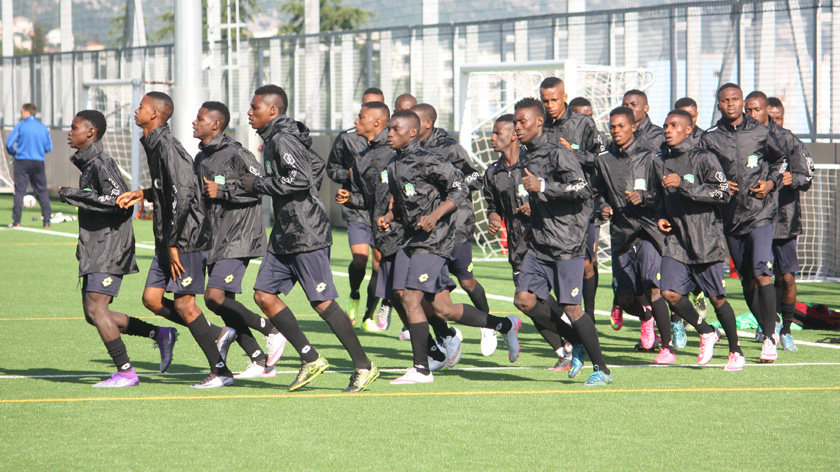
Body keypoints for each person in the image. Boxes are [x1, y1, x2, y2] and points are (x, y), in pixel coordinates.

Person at [240, 84, 379, 393]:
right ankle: (310, 358)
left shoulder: (282, 139)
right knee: (263, 295)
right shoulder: (275, 138)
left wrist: (259, 185)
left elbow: (300, 178)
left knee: (322, 302)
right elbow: (314, 166)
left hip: (307, 233)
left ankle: (364, 365)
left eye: (255, 107)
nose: (249, 112)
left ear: (272, 111)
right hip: (285, 233)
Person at [378, 110, 521, 385]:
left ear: (412, 132)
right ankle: (505, 324)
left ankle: (422, 369)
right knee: (443, 309)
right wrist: (389, 217)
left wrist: (434, 216)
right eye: (389, 129)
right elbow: (405, 203)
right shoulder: (394, 164)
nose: (389, 134)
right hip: (411, 240)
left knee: (411, 299)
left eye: (395, 129)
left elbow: (460, 189)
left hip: (436, 239)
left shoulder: (430, 160)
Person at [117, 92, 236, 388]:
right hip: (168, 237)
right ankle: (215, 333)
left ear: (155, 114)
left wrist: (174, 243)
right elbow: (167, 188)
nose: (136, 110)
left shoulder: (168, 145)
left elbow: (184, 194)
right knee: (151, 299)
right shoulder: (153, 143)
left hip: (186, 238)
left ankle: (221, 371)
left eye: (141, 107)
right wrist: (144, 193)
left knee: (185, 305)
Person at [336, 102, 459, 372]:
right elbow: (368, 199)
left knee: (410, 296)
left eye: (361, 117)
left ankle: (439, 344)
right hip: (385, 235)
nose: (356, 121)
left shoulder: (396, 153)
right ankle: (435, 346)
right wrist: (350, 198)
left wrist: (425, 216)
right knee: (398, 296)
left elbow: (425, 191)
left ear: (377, 122)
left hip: (408, 235)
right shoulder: (362, 156)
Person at [60, 110, 178, 387]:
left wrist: (73, 194)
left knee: (97, 309)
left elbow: (119, 201)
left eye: (74, 127)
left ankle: (126, 372)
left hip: (110, 248)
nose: (69, 132)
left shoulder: (102, 162)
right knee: (93, 314)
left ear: (90, 132)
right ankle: (160, 334)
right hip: (97, 247)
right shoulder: (89, 164)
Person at [512, 97, 612, 386]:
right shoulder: (526, 156)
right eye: (515, 122)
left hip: (567, 244)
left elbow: (582, 189)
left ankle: (602, 370)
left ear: (538, 122)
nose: (517, 127)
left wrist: (543, 185)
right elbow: (538, 199)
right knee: (524, 299)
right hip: (540, 242)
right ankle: (574, 341)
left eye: (522, 121)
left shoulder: (558, 153)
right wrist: (534, 223)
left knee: (572, 308)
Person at [193, 101, 288, 379]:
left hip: (240, 236)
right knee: (224, 306)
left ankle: (272, 329)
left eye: (200, 119)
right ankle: (260, 361)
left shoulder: (237, 153)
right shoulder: (200, 158)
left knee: (213, 297)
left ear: (215, 124)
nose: (194, 123)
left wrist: (222, 189)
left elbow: (259, 186)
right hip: (216, 237)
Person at [700, 83, 787, 363]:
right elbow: (700, 171)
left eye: (735, 99)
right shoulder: (709, 138)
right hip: (729, 219)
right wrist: (720, 185)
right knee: (747, 282)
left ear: (741, 102)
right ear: (718, 104)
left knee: (763, 272)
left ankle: (770, 338)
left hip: (760, 214)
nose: (730, 104)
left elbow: (781, 161)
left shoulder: (761, 132)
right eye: (725, 100)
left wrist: (770, 182)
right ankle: (766, 327)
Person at [484, 114, 577, 371]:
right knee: (529, 304)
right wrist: (494, 218)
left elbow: (557, 191)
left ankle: (575, 338)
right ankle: (564, 352)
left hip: (546, 244)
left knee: (552, 301)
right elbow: (493, 206)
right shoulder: (492, 172)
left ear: (513, 135)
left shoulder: (533, 163)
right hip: (518, 248)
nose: (492, 138)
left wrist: (535, 205)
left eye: (497, 133)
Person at [654, 109, 744, 370]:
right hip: (676, 240)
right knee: (668, 292)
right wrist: (661, 217)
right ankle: (706, 331)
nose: (668, 130)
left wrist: (683, 184)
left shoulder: (704, 158)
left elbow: (723, 193)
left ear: (688, 129)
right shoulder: (660, 160)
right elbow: (659, 198)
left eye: (674, 126)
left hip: (706, 240)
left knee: (717, 299)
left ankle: (735, 351)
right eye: (666, 125)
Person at [412, 103, 495, 355]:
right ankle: (446, 335)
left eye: (415, 120)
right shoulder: (410, 148)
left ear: (428, 123)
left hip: (456, 226)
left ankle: (489, 325)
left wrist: (452, 183)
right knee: (428, 288)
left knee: (467, 282)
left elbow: (475, 179)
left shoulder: (449, 147)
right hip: (429, 232)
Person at [593, 107, 673, 362]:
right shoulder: (603, 160)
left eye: (621, 126)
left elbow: (663, 194)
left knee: (653, 285)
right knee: (625, 298)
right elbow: (596, 192)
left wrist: (645, 197)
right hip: (622, 234)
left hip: (648, 231)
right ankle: (646, 317)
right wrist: (603, 207)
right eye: (612, 127)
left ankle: (667, 347)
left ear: (633, 127)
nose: (616, 131)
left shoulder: (650, 157)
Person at [745, 91, 814, 351]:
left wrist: (793, 179)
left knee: (786, 278)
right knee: (756, 277)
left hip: (784, 219)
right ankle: (767, 323)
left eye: (777, 117)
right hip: (753, 218)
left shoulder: (788, 140)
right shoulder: (745, 138)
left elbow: (808, 174)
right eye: (751, 110)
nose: (755, 115)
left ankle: (785, 330)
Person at [540, 78, 605, 325]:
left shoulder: (583, 123)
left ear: (564, 97)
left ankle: (589, 316)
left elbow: (600, 159)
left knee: (587, 264)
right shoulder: (540, 124)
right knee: (552, 264)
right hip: (549, 205)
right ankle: (566, 317)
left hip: (581, 206)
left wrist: (574, 153)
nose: (550, 105)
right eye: (545, 101)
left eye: (554, 100)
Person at [327, 88, 386, 330]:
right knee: (360, 259)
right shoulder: (347, 138)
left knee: (379, 264)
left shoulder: (392, 141)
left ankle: (369, 316)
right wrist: (348, 176)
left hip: (382, 211)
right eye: (364, 107)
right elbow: (331, 168)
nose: (363, 114)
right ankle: (354, 295)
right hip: (357, 207)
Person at [6, 103, 52, 228]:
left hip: (22, 161)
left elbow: (9, 143)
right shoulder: (43, 128)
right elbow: (48, 147)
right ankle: (47, 221)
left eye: (22, 112)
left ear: (26, 112)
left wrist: (13, 153)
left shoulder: (20, 126)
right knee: (42, 190)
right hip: (38, 162)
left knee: (20, 191)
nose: (21, 114)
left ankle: (17, 221)